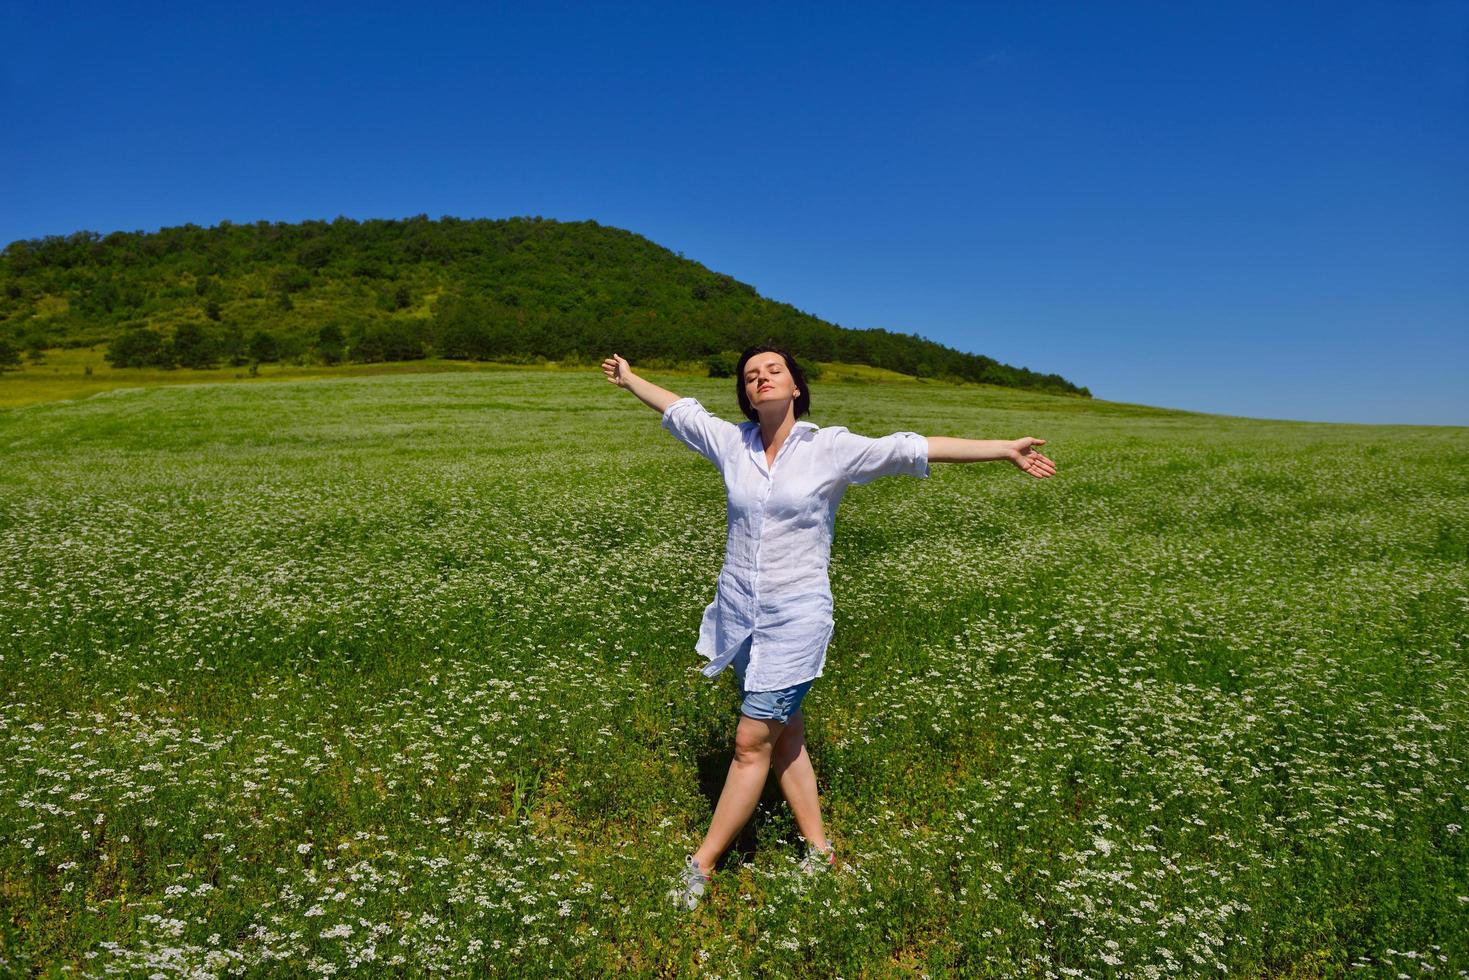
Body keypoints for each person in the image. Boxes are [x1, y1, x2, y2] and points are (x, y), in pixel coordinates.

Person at [600, 346, 1056, 910]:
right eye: (750, 376)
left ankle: (702, 865)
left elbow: (913, 448)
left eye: (773, 371)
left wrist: (1003, 450)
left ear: (795, 386)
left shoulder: (830, 449)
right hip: (743, 616)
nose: (761, 379)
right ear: (745, 394)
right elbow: (681, 409)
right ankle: (820, 851)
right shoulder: (732, 444)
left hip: (796, 619)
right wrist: (630, 379)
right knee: (785, 735)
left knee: (749, 744)